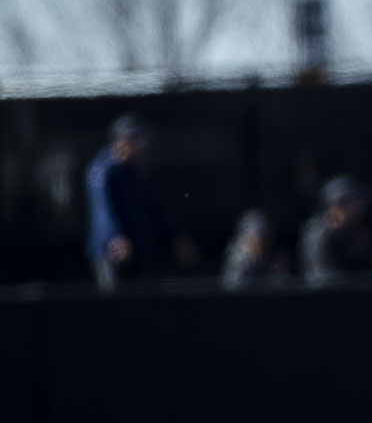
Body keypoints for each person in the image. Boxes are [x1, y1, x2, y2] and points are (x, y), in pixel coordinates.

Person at [84, 113, 195, 291]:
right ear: (122, 141)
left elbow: (156, 208)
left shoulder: (138, 171)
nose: (144, 145)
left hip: (140, 249)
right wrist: (114, 237)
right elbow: (102, 210)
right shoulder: (102, 171)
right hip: (112, 252)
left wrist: (176, 237)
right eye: (138, 139)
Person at [299, 174, 372, 287]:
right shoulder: (319, 237)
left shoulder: (350, 232)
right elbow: (328, 284)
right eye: (353, 202)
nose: (360, 208)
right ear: (338, 205)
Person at [221, 209, 291, 290]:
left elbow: (282, 287)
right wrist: (252, 262)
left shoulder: (276, 256)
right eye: (255, 237)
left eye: (266, 237)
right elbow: (234, 288)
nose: (261, 243)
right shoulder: (238, 259)